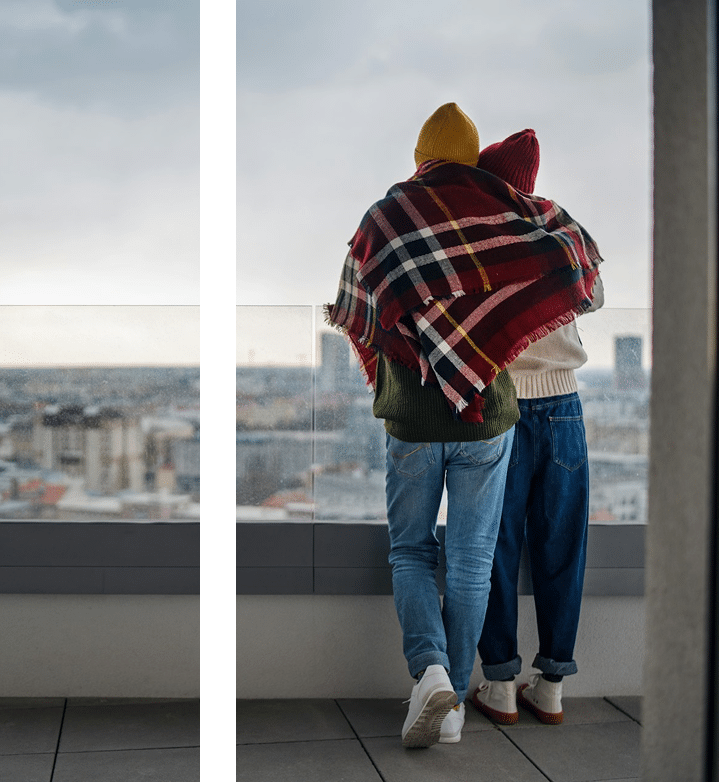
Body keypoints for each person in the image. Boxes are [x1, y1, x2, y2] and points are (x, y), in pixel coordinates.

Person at [325, 104, 602, 747]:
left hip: (416, 417)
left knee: (412, 550)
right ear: (473, 159)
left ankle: (434, 681)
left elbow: (358, 309)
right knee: (476, 560)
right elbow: (576, 278)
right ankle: (457, 701)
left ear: (422, 153)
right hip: (492, 415)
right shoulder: (510, 219)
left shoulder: (387, 217)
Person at [470, 129, 604, 726]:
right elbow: (593, 297)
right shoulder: (562, 230)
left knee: (493, 548)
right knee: (561, 548)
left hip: (501, 406)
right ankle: (550, 684)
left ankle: (498, 685)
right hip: (564, 408)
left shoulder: (478, 238)